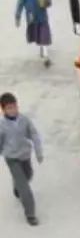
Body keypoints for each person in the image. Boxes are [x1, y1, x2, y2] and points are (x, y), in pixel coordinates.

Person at [0, 91, 43, 227]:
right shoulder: (2, 126)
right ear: (3, 110)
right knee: (25, 188)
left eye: (14, 106)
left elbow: (33, 134)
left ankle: (16, 186)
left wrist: (38, 151)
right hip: (11, 157)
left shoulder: (24, 120)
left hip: (25, 155)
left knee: (28, 175)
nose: (13, 110)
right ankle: (30, 215)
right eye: (9, 108)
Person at [15, 0, 51, 67]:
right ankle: (42, 50)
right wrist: (17, 18)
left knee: (44, 37)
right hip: (32, 21)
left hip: (43, 19)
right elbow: (19, 6)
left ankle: (46, 57)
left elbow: (49, 2)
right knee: (38, 37)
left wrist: (45, 2)